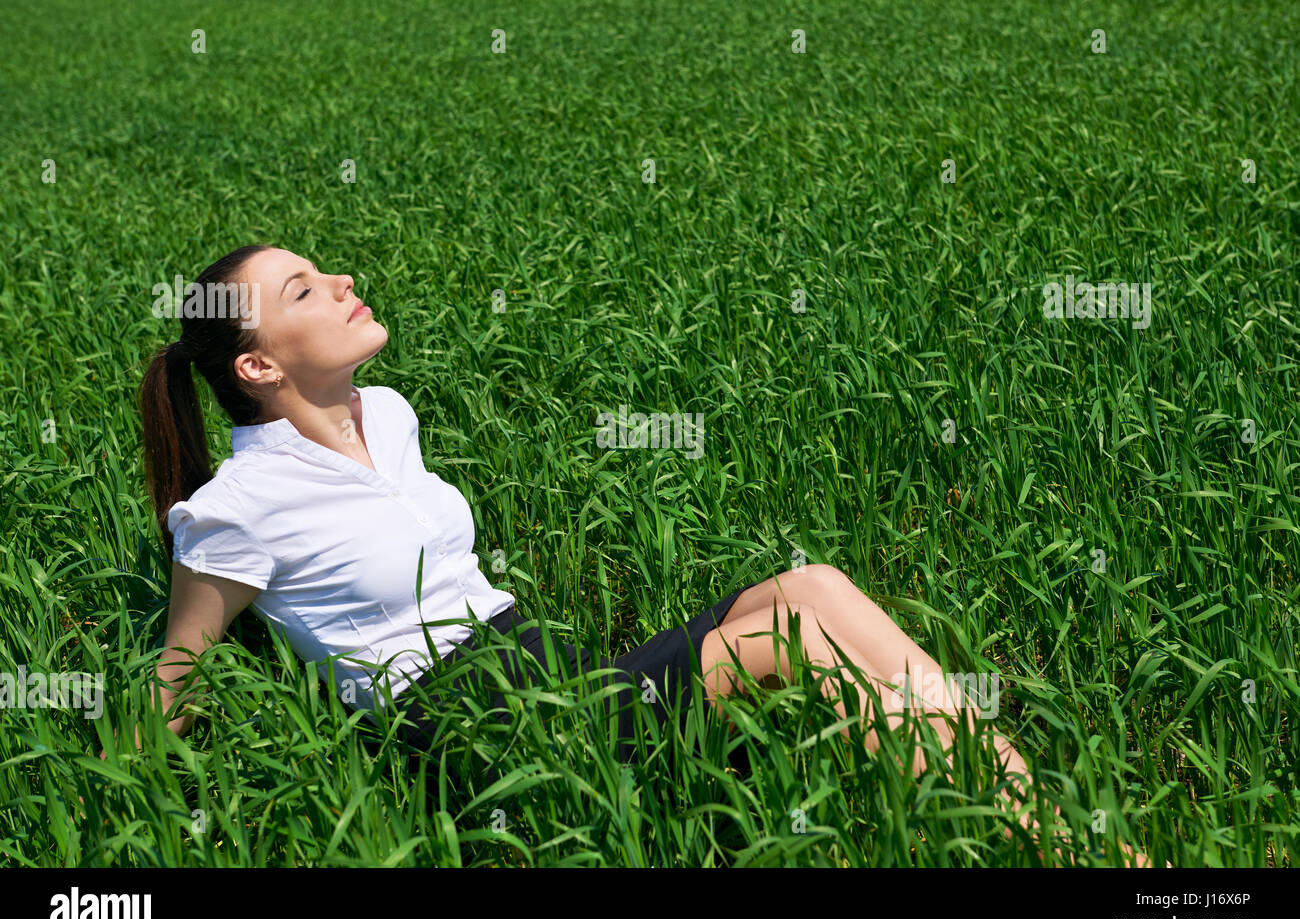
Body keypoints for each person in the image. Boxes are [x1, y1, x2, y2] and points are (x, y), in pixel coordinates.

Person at [122, 244, 1156, 867]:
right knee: (809, 646)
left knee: (815, 591)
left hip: (548, 671)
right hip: (478, 734)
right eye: (305, 289)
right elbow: (179, 669)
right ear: (257, 363)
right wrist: (189, 817)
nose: (342, 280)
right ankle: (1083, 858)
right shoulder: (237, 508)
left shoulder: (385, 412)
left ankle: (1053, 845)